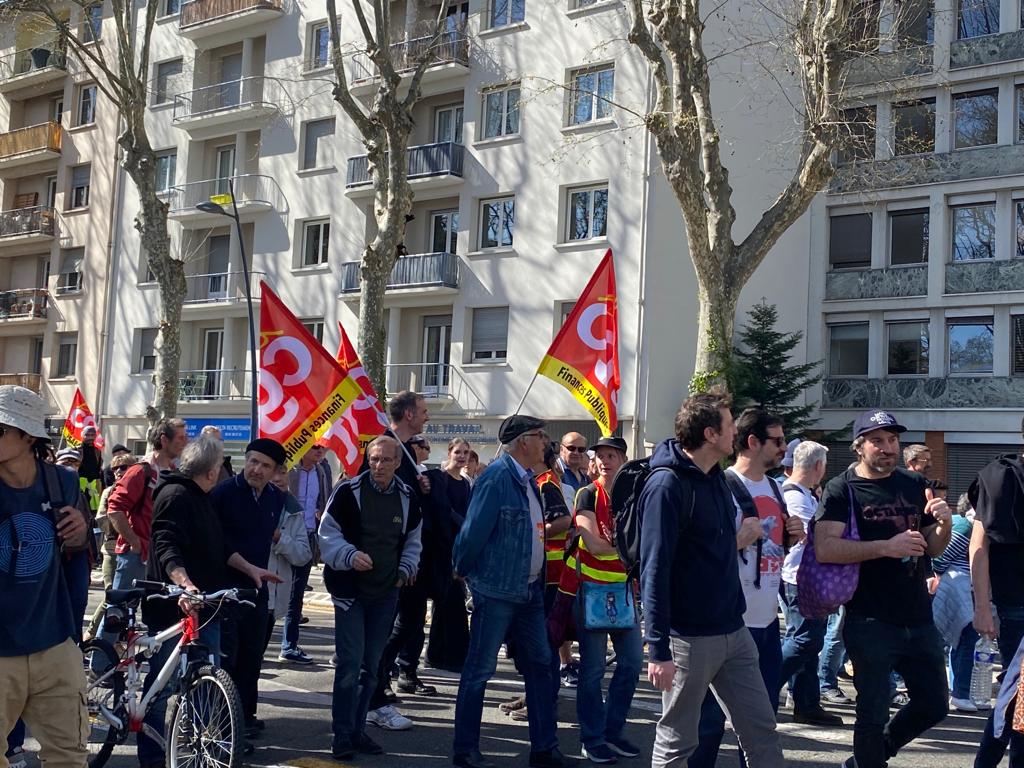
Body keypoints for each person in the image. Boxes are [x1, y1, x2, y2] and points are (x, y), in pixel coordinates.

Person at [638, 389, 785, 768]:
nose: (735, 427)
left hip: (733, 631)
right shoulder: (667, 485)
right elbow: (654, 568)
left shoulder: (716, 477)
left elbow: (720, 548)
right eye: (729, 422)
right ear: (709, 434)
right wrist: (657, 650)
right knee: (677, 741)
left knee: (761, 728)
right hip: (688, 639)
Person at [815, 409, 950, 768]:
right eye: (878, 440)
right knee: (872, 713)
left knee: (934, 704)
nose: (888, 447)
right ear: (860, 446)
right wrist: (885, 547)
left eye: (892, 440)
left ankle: (869, 758)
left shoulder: (910, 483)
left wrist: (944, 523)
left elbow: (932, 547)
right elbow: (825, 547)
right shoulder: (842, 489)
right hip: (870, 619)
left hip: (918, 616)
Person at [691, 409, 810, 768]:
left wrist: (791, 535)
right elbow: (699, 553)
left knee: (761, 722)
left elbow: (771, 549)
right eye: (777, 440)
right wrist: (738, 540)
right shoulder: (721, 486)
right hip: (727, 624)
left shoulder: (775, 487)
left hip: (767, 623)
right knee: (708, 724)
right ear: (753, 442)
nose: (784, 448)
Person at [452, 415, 564, 768]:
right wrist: (463, 572)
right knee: (479, 672)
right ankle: (465, 750)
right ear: (522, 442)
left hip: (528, 591)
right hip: (497, 591)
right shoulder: (497, 479)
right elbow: (472, 534)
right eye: (539, 435)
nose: (546, 441)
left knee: (541, 667)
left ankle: (545, 749)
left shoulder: (529, 480)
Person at [0, 385, 91, 768]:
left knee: (69, 757)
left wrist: (82, 532)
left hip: (54, 643)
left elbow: (78, 549)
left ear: (27, 436)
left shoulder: (62, 483)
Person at [320, 435, 423, 759]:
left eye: (385, 460)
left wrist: (407, 568)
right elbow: (327, 534)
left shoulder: (408, 497)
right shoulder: (347, 492)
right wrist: (349, 555)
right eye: (373, 459)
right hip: (350, 594)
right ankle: (341, 735)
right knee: (350, 666)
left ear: (398, 462)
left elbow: (413, 541)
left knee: (373, 668)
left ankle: (357, 730)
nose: (378, 465)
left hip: (386, 594)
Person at [139, 436, 237, 768]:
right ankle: (152, 757)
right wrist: (185, 583)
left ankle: (202, 748)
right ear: (211, 472)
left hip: (205, 609)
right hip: (172, 608)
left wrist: (250, 569)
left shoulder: (202, 498)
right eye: (221, 465)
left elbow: (217, 548)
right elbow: (166, 543)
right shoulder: (175, 494)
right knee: (162, 687)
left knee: (206, 682)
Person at [565, 436, 642, 764]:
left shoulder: (635, 495)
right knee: (593, 670)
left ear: (623, 459)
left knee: (633, 664)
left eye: (612, 455)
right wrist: (632, 549)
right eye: (601, 456)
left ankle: (613, 730)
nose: (605, 461)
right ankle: (591, 737)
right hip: (592, 590)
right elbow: (593, 544)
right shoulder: (588, 493)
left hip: (626, 592)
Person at [213, 438, 289, 744]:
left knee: (252, 658)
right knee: (227, 661)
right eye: (253, 461)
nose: (256, 469)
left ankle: (244, 718)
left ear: (275, 471)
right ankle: (223, 728)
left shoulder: (275, 498)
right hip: (225, 589)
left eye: (265, 465)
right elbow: (216, 544)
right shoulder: (223, 494)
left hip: (257, 591)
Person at [367, 392, 434, 728]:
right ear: (408, 414)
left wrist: (422, 488)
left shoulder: (407, 454)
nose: (427, 416)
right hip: (383, 563)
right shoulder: (387, 447)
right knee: (380, 630)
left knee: (408, 622)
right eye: (423, 411)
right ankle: (374, 697)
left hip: (406, 561)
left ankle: (379, 683)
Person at [970, 421, 1024, 767]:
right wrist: (982, 607)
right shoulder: (1001, 479)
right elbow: (979, 545)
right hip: (1016, 604)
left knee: (1014, 695)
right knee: (1016, 695)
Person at [776, 441, 842, 724]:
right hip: (800, 580)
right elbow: (813, 540)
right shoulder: (797, 497)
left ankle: (807, 703)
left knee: (807, 642)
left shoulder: (800, 494)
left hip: (801, 578)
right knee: (805, 640)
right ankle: (762, 682)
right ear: (818, 466)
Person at [425, 438, 473, 673]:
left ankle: (451, 654)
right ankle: (437, 655)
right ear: (449, 453)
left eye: (466, 452)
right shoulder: (438, 478)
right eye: (458, 452)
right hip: (441, 549)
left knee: (454, 603)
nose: (462, 456)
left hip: (459, 548)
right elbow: (442, 511)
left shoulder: (465, 483)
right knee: (445, 603)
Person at [280, 444, 329, 664]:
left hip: (308, 535)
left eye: (323, 449)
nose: (320, 452)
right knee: (271, 592)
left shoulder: (322, 470)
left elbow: (324, 501)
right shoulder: (290, 470)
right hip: (284, 535)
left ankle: (289, 645)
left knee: (296, 594)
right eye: (316, 447)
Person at [931, 493, 978, 713]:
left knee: (959, 639)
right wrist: (936, 577)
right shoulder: (965, 525)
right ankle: (959, 692)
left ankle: (957, 690)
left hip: (958, 589)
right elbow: (940, 558)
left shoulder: (965, 524)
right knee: (963, 639)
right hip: (955, 590)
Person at [85, 452, 137, 640]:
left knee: (128, 599)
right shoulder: (110, 491)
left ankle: (117, 638)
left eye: (123, 467)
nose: (118, 472)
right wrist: (119, 526)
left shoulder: (139, 490)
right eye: (115, 468)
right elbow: (101, 519)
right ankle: (92, 634)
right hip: (111, 548)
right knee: (112, 595)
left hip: (133, 550)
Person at [266, 466, 313, 660]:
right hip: (248, 595)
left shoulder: (293, 510)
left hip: (273, 599)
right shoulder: (246, 504)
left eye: (283, 472)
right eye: (273, 472)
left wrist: (280, 539)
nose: (278, 478)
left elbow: (303, 554)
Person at [557, 432, 590, 511]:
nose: (576, 452)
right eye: (571, 448)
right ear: (561, 449)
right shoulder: (555, 471)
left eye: (581, 449)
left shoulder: (585, 478)